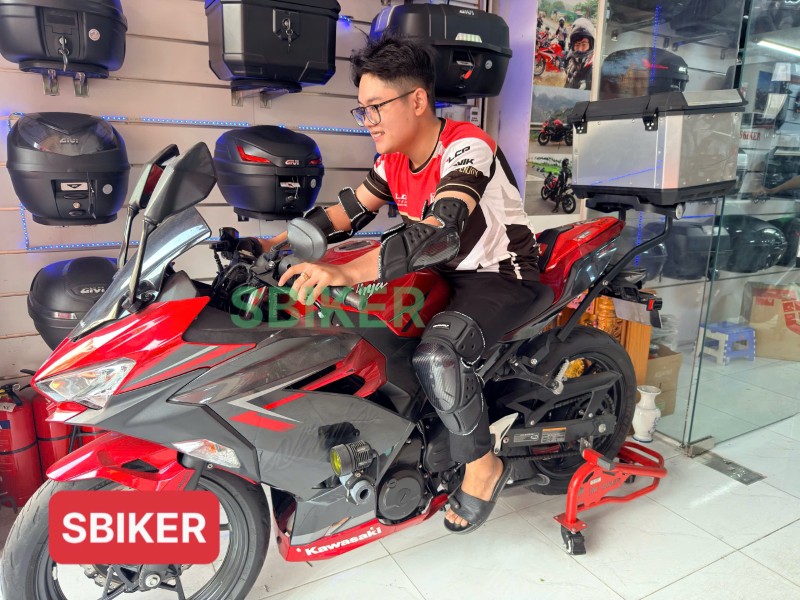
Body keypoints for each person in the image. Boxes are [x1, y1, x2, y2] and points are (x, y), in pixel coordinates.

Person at [264, 35, 542, 533]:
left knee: (437, 354)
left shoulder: (466, 147)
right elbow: (347, 213)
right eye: (362, 109)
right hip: (439, 270)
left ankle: (483, 466)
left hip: (498, 272)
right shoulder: (391, 160)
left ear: (416, 100)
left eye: (376, 107)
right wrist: (271, 243)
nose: (368, 120)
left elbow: (442, 230)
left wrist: (348, 270)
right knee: (358, 320)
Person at [564, 17, 595, 90]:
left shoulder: (594, 72)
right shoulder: (571, 63)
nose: (580, 49)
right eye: (577, 44)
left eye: (584, 44)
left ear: (591, 45)